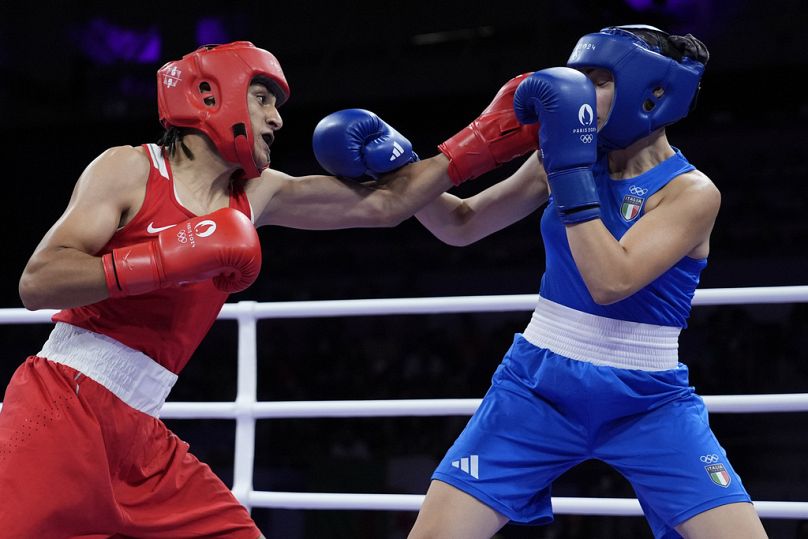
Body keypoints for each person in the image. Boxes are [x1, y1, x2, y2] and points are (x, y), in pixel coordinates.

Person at [0, 41, 537, 538]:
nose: (277, 118)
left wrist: (480, 140)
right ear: (210, 95)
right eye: (262, 99)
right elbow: (38, 281)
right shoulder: (130, 168)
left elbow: (386, 205)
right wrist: (162, 258)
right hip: (60, 408)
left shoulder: (258, 194)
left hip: (141, 435)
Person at [401, 25, 768, 539]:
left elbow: (610, 280)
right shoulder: (558, 158)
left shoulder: (691, 192)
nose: (576, 95)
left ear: (652, 92)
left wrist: (568, 170)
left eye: (598, 80)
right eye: (577, 79)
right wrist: (399, 168)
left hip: (648, 400)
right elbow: (461, 224)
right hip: (537, 385)